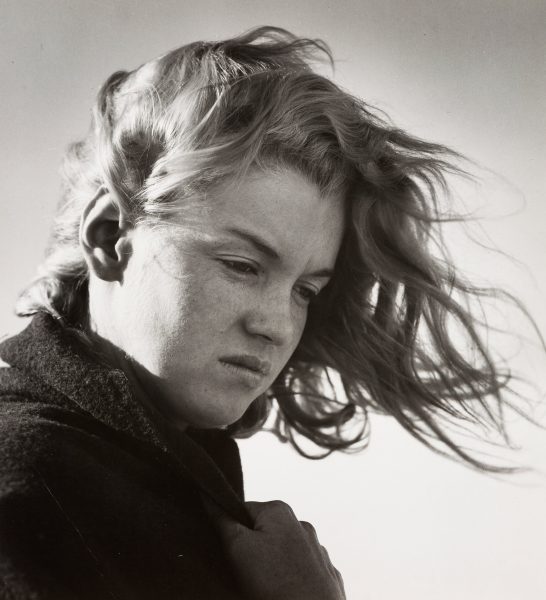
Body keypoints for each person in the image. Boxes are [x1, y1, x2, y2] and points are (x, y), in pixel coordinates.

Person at [0, 26, 536, 599]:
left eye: (306, 290)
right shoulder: (25, 489)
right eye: (242, 266)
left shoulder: (151, 484)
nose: (277, 327)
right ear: (110, 237)